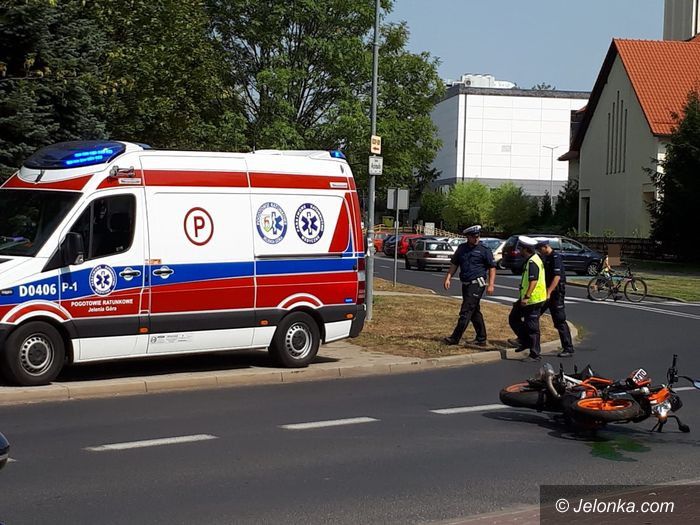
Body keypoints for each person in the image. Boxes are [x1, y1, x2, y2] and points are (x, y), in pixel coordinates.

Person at [443, 224, 496, 347]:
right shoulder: (462, 248)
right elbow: (454, 264)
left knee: (466, 311)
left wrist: (491, 284)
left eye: (478, 236)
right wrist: (448, 277)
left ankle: (454, 338)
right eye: (473, 237)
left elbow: (492, 268)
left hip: (477, 284)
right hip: (466, 284)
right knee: (474, 311)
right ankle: (481, 338)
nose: (476, 238)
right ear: (468, 237)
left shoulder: (484, 249)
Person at [508, 236, 547, 361]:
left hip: (533, 299)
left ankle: (535, 354)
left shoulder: (532, 262)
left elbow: (533, 281)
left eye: (521, 248)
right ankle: (524, 341)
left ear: (526, 249)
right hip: (528, 298)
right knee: (514, 317)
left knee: (532, 327)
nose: (519, 251)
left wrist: (526, 297)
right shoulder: (532, 259)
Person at [535, 237, 575, 357]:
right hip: (546, 293)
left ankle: (568, 348)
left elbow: (557, 277)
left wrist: (549, 292)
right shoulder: (546, 257)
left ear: (545, 247)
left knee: (559, 320)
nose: (539, 251)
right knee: (534, 315)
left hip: (556, 293)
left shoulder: (555, 257)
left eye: (540, 249)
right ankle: (524, 340)